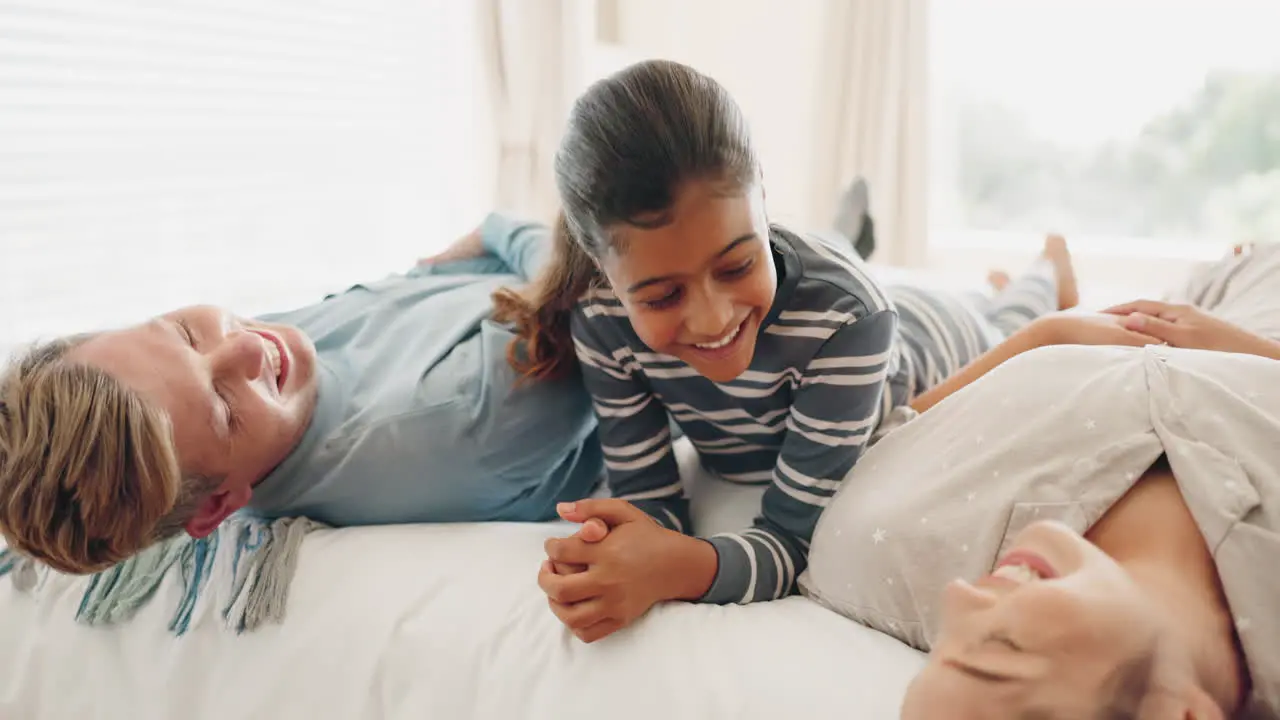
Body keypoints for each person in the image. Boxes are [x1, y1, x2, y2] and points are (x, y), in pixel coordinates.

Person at [489, 58, 1153, 644]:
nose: (713, 318)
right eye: (662, 297)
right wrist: (614, 548)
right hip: (831, 316)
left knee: (999, 319)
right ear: (607, 277)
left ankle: (1041, 271)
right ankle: (857, 240)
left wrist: (675, 569)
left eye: (737, 262)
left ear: (765, 205)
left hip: (919, 352)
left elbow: (790, 542)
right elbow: (652, 503)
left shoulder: (850, 319)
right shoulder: (601, 316)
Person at [799, 243, 1280, 719]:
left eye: (947, 643)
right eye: (1002, 647)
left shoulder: (881, 550)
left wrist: (1045, 334)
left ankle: (1042, 283)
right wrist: (1255, 351)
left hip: (1108, 338)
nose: (958, 599)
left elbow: (872, 443)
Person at [0, 214, 604, 575]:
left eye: (182, 330)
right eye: (223, 407)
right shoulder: (465, 419)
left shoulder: (268, 363)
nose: (244, 348)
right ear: (215, 508)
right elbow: (592, 277)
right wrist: (496, 228)